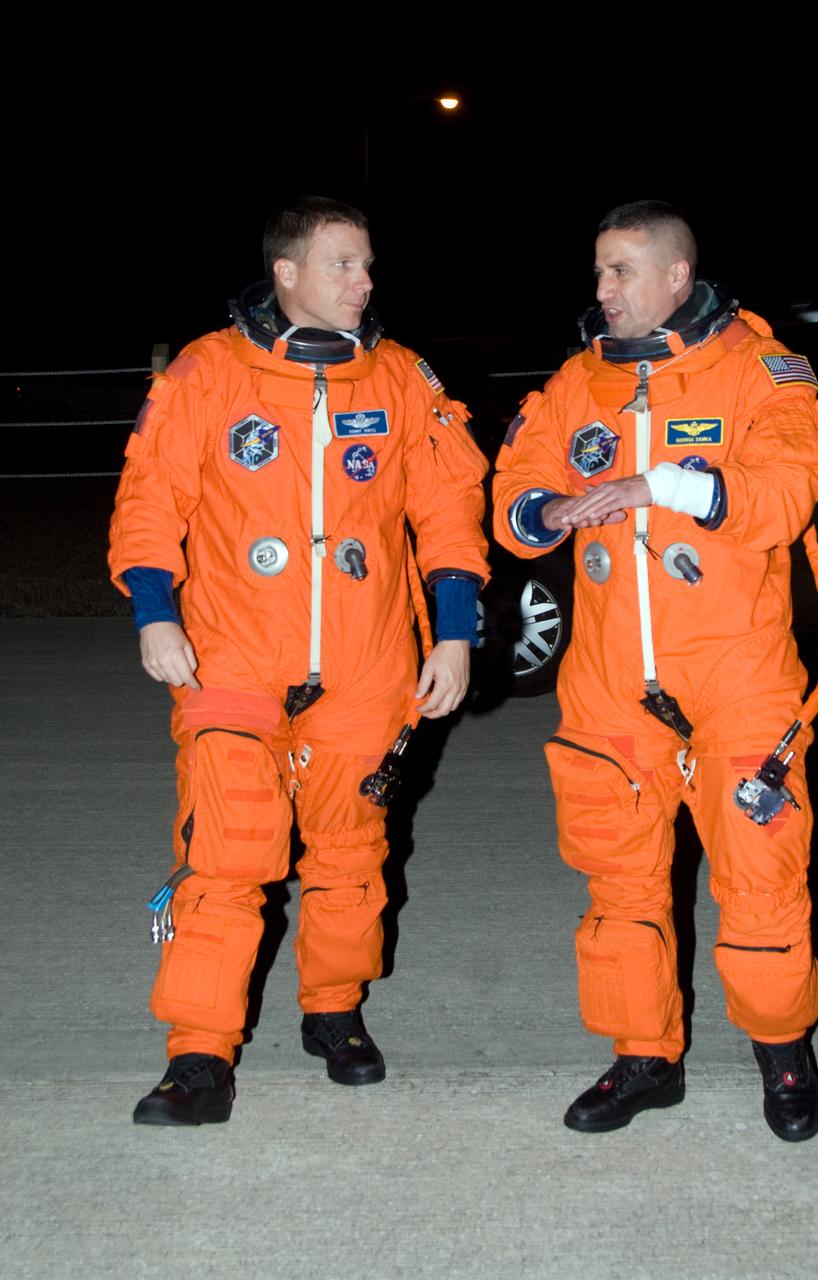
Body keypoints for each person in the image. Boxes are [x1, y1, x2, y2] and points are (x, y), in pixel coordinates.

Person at [109, 196, 489, 1125]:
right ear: (286, 272)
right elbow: (151, 497)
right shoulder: (208, 373)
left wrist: (454, 630)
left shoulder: (400, 378)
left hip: (365, 665)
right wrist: (154, 612)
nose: (364, 283)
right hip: (230, 656)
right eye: (343, 265)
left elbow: (448, 510)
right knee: (228, 856)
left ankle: (335, 1010)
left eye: (366, 266)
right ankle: (198, 1056)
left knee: (353, 856)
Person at [492, 201, 818, 1142]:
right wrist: (543, 513)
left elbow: (784, 489)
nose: (601, 291)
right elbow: (514, 482)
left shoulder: (762, 373)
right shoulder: (577, 384)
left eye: (621, 272)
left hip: (735, 673)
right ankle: (644, 1057)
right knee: (620, 884)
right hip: (611, 682)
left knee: (761, 879)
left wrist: (660, 486)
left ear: (678, 276)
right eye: (598, 272)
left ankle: (781, 1050)